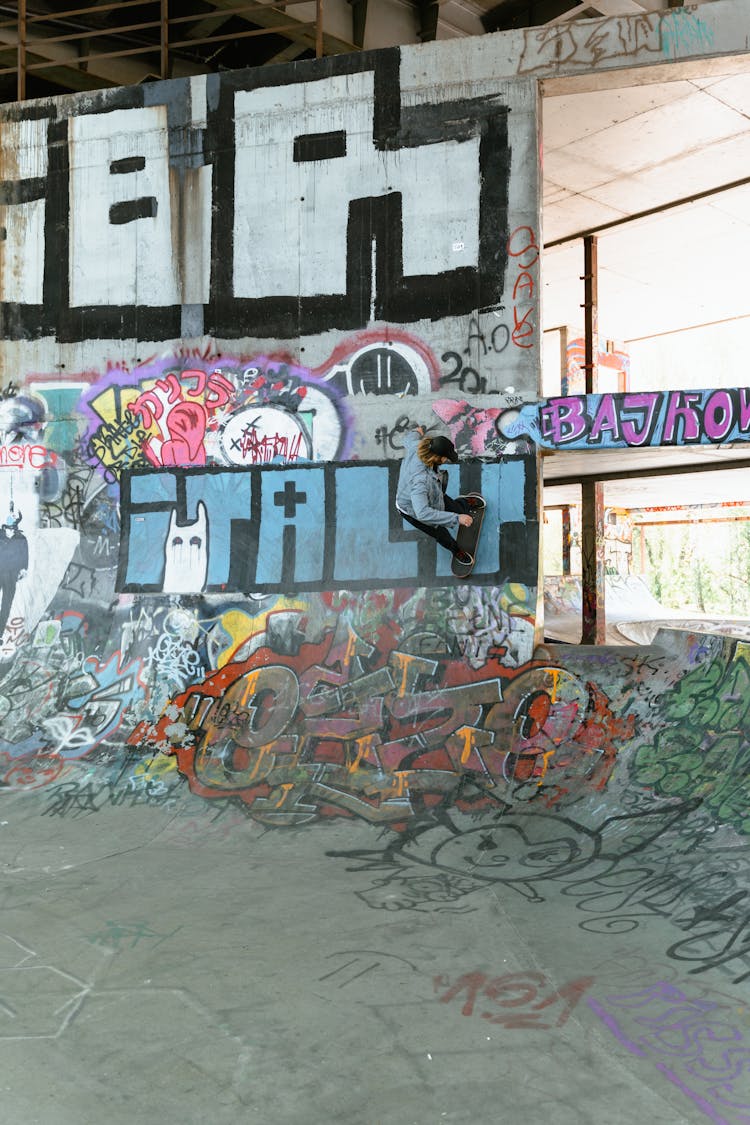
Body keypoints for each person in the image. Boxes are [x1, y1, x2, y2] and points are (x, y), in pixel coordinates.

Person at [395, 427, 481, 566]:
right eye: (446, 457)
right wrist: (456, 518)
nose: (446, 460)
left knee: (456, 507)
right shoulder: (420, 481)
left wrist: (417, 431)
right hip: (413, 509)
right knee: (440, 533)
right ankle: (456, 550)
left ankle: (464, 503)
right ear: (436, 457)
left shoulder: (419, 445)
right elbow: (422, 513)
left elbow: (409, 438)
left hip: (433, 493)